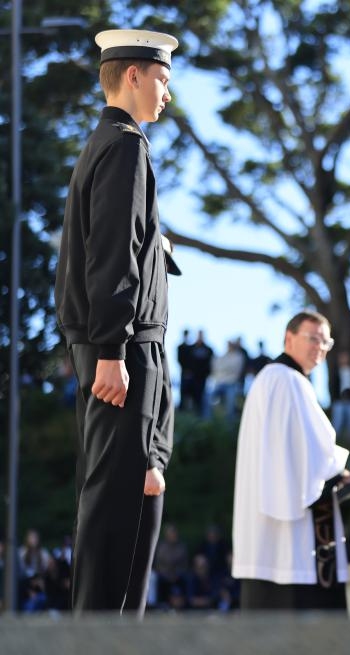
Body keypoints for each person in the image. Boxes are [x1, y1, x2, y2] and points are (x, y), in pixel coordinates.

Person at [54, 28, 179, 615]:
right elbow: (111, 249)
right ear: (133, 75)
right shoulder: (125, 146)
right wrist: (111, 349)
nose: (166, 93)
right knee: (112, 512)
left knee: (128, 499)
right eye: (162, 78)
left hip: (119, 346)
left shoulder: (107, 145)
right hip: (123, 351)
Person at [232, 311, 350, 609]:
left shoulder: (273, 378)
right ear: (289, 338)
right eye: (313, 338)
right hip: (291, 546)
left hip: (267, 540)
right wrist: (348, 478)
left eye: (326, 342)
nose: (321, 347)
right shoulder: (287, 381)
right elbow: (308, 462)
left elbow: (297, 455)